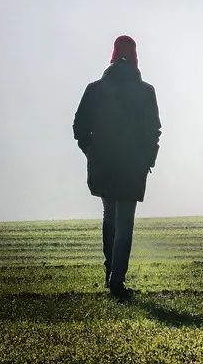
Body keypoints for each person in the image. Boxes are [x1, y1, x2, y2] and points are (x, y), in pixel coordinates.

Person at [73, 35, 161, 299]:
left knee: (109, 218)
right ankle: (117, 279)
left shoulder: (95, 89)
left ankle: (109, 272)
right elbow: (154, 130)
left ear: (113, 56)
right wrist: (147, 158)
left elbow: (79, 128)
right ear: (135, 57)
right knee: (125, 223)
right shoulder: (146, 91)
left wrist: (92, 152)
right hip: (132, 166)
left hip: (104, 164)